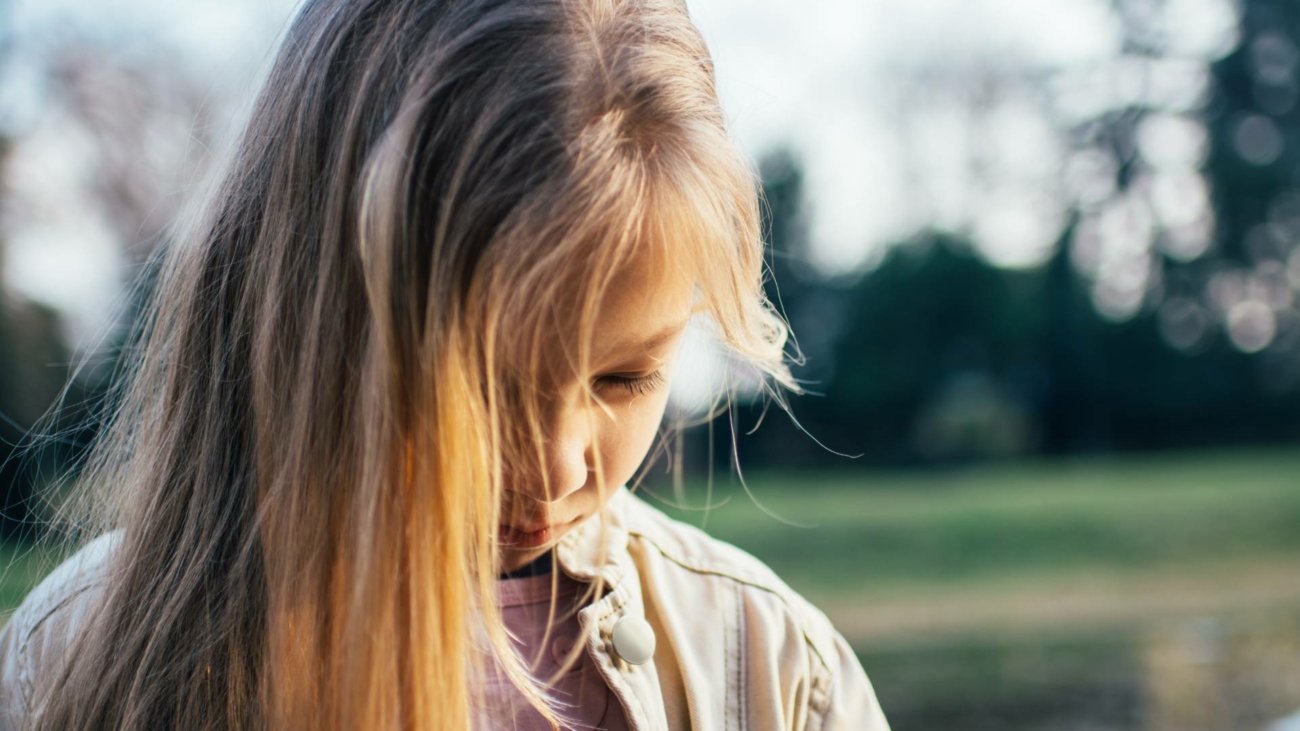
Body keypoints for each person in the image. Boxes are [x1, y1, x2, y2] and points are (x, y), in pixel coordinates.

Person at [0, 0, 891, 728]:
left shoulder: (769, 665)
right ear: (321, 326)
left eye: (625, 379)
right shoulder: (73, 655)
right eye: (487, 386)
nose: (558, 466)